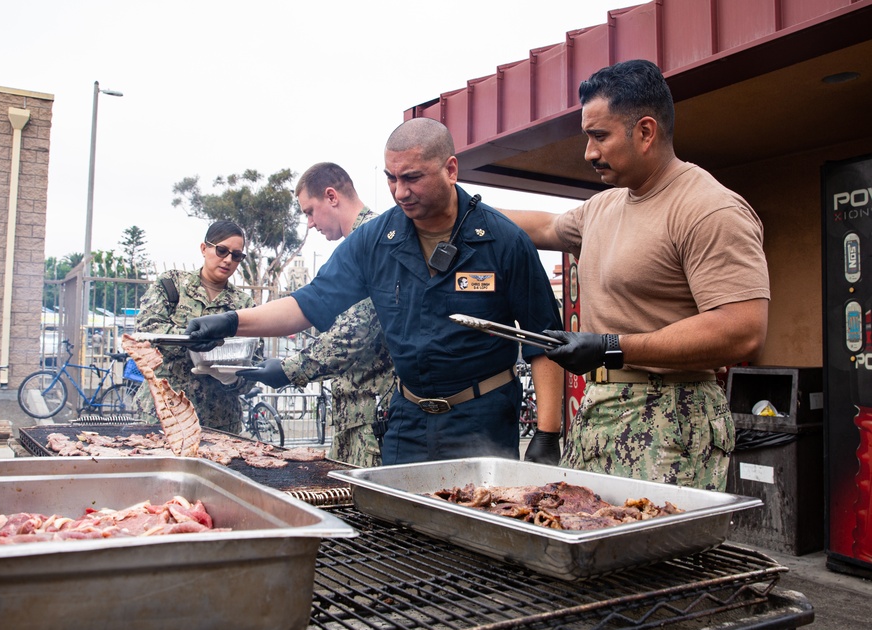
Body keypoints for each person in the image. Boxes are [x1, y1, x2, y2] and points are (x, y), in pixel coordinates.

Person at [186, 118, 564, 465]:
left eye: (412, 177)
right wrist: (231, 322)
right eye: (391, 178)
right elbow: (310, 302)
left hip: (481, 419)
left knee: (476, 529)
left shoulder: (503, 240)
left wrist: (547, 433)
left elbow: (542, 339)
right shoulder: (376, 240)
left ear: (450, 169)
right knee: (397, 528)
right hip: (408, 420)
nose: (400, 192)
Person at [502, 59, 769, 490]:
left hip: (671, 420)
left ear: (645, 132)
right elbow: (545, 227)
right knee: (592, 544)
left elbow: (742, 330)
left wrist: (611, 347)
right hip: (598, 413)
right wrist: (457, 211)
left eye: (599, 136)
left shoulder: (708, 208)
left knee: (657, 556)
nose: (589, 152)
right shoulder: (605, 206)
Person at [238, 162, 394, 467]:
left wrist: (289, 369)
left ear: (332, 196)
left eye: (310, 211)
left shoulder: (373, 241)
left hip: (374, 416)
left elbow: (353, 335)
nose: (309, 223)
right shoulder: (358, 243)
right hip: (358, 413)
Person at [133, 220, 262, 434]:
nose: (228, 260)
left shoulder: (243, 305)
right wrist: (192, 342)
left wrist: (233, 378)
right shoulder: (172, 285)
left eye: (237, 255)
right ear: (204, 248)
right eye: (221, 250)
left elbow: (254, 365)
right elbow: (146, 331)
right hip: (164, 415)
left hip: (219, 423)